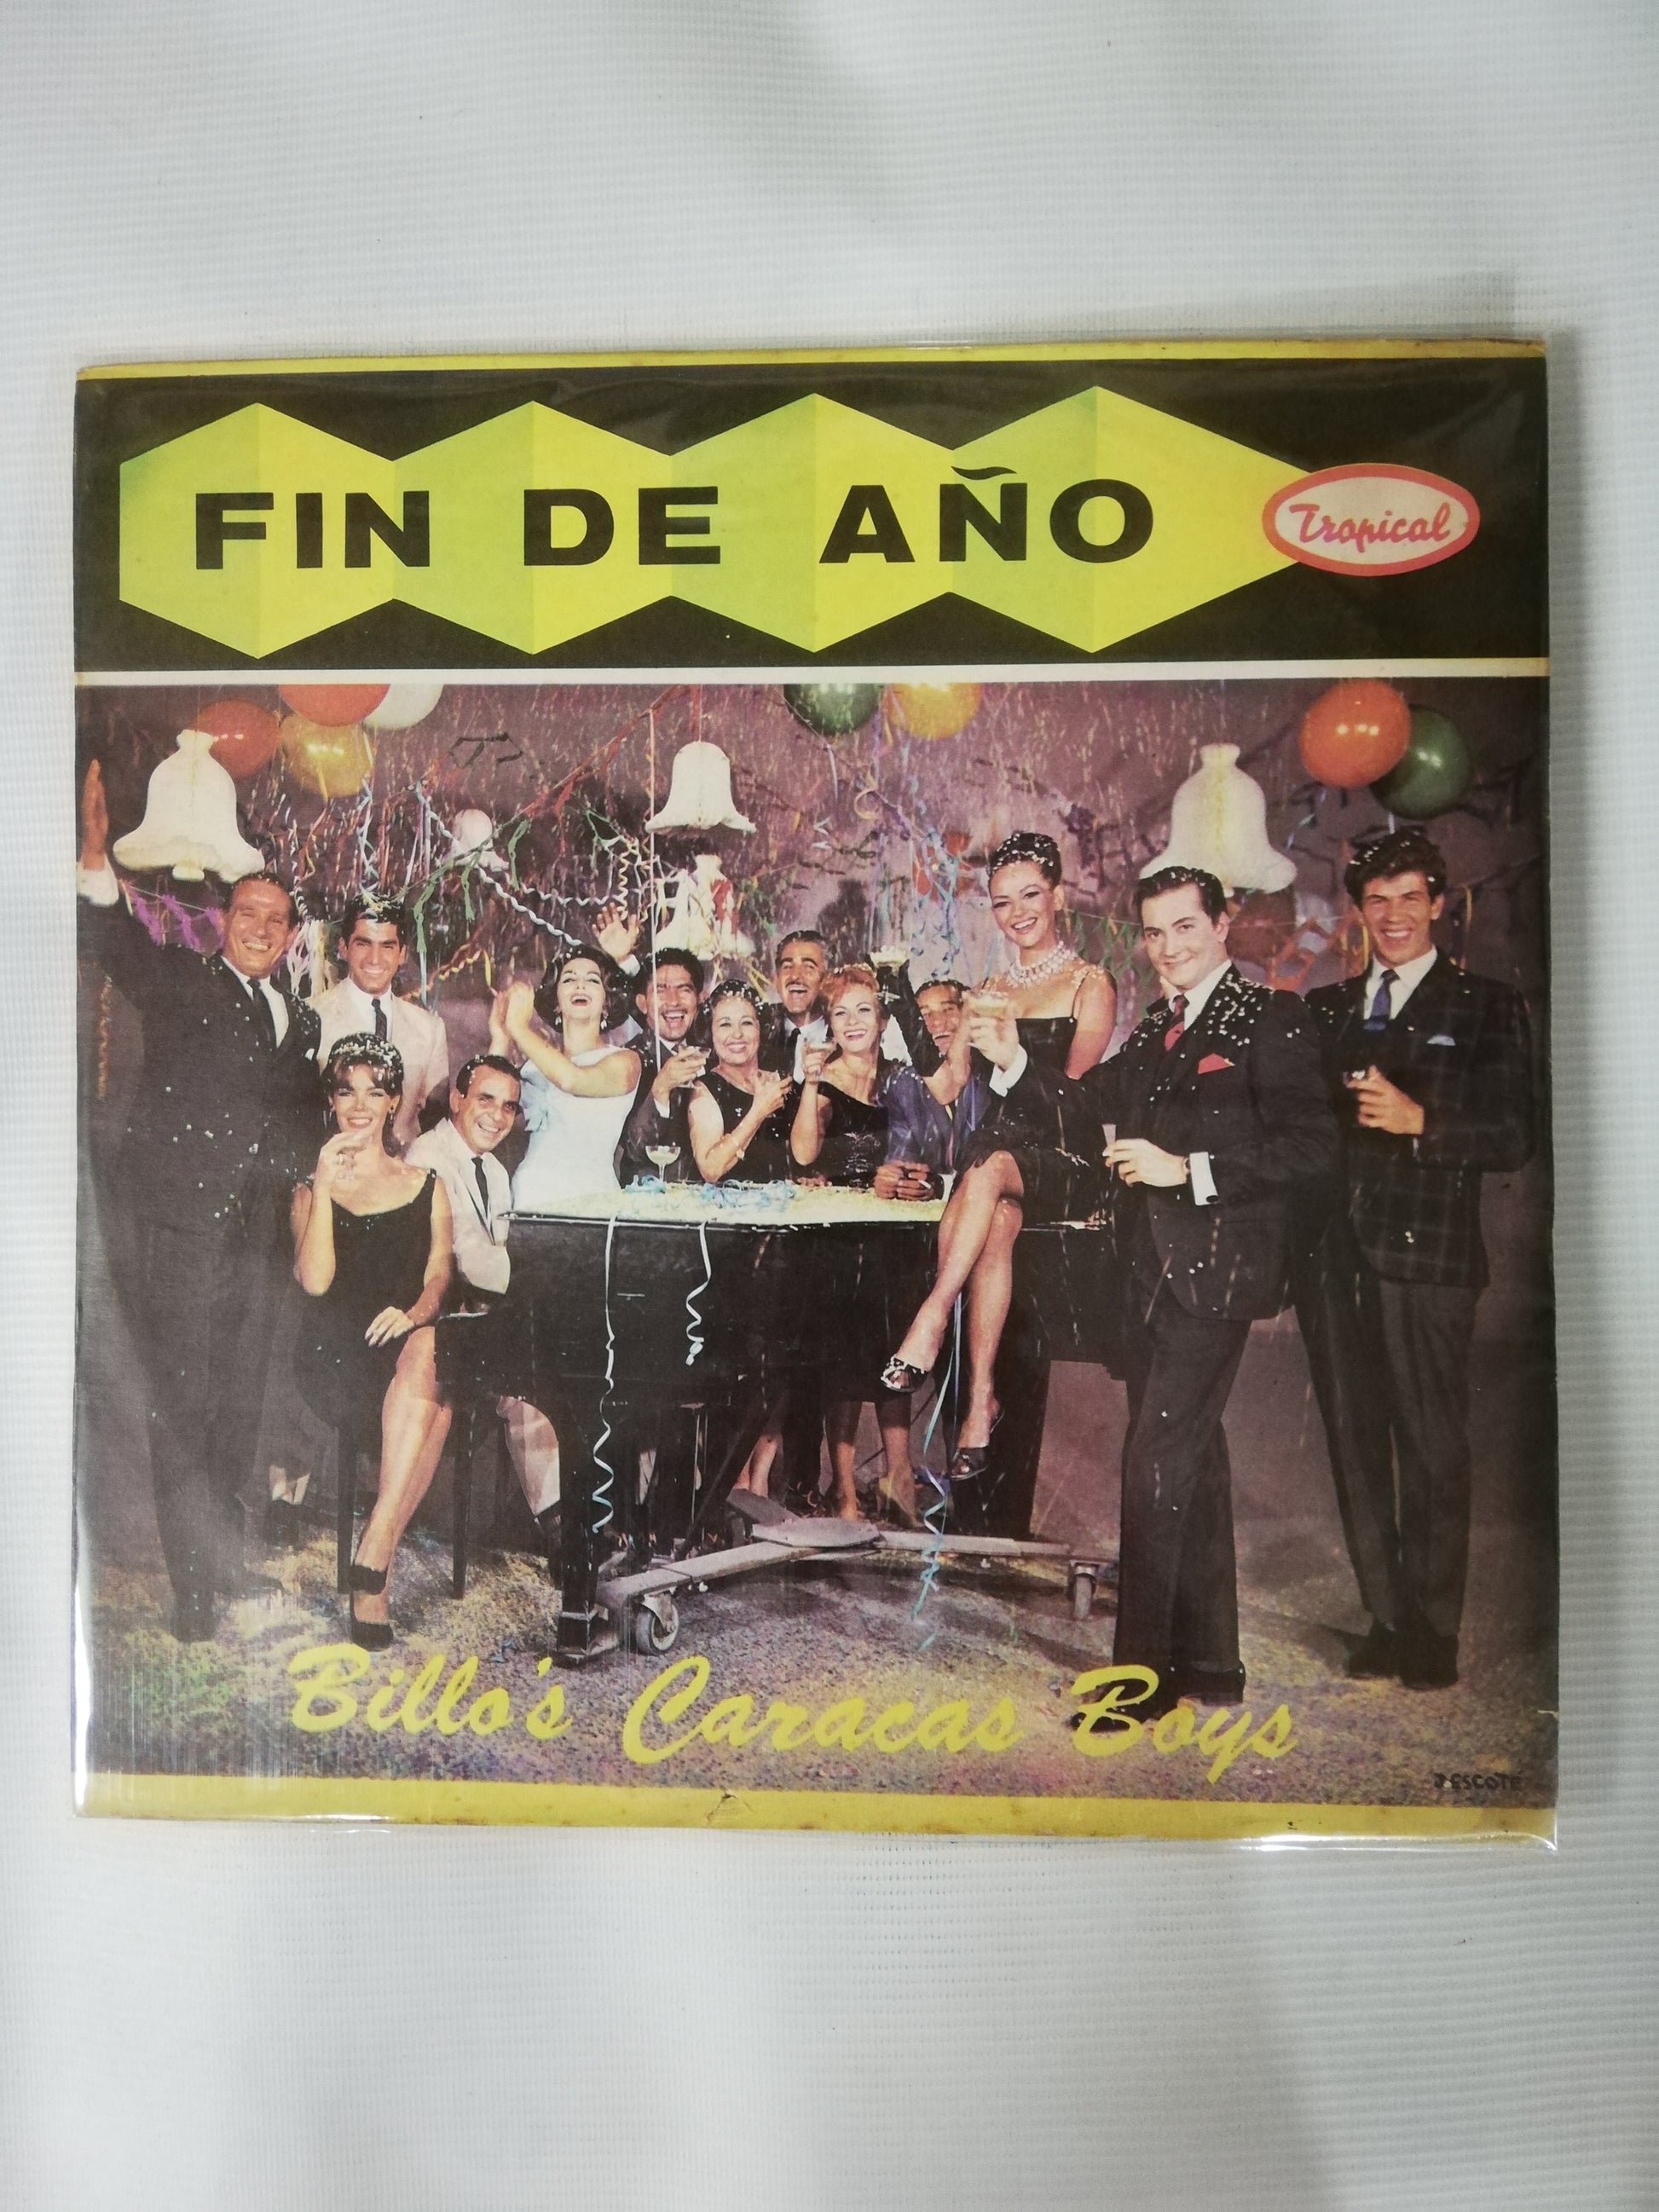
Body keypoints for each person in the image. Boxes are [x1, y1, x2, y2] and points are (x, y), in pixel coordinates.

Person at [973, 866, 1338, 1717]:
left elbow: (1314, 1146)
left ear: (1221, 925)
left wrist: (1188, 1169)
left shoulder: (1270, 1017)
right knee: (1192, 1462)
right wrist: (1013, 1060)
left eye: (1184, 927)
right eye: (1153, 932)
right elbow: (1082, 1101)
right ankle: (1210, 1663)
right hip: (1148, 1275)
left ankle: (1140, 1683)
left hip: (1214, 1271)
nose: (1168, 948)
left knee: (1154, 1461)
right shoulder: (1161, 1027)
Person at [77, 759, 322, 1642]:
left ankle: (221, 1557)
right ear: (225, 921)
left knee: (239, 1404)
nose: (260, 928)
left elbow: (300, 1128)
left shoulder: (301, 1019)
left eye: (275, 919)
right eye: (247, 913)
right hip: (180, 1230)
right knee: (182, 1403)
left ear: (290, 935)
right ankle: (191, 1588)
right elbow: (119, 947)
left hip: (258, 1243)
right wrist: (96, 860)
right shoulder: (183, 981)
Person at [1294, 829, 1535, 1689]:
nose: (1393, 915)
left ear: (1437, 904)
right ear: (1358, 911)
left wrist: (1421, 1122)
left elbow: (1514, 1134)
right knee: (1355, 1442)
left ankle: (1433, 1629)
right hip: (1335, 1262)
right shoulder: (1328, 1007)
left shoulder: (1485, 1005)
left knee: (1431, 1445)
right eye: (1377, 900)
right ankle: (1387, 1618)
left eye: (1408, 898)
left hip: (1426, 1259)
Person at [880, 832, 1117, 1475]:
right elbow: (947, 1085)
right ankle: (981, 1403)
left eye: (1031, 895)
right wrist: (883, 1036)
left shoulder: (1090, 983)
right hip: (997, 1163)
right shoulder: (987, 987)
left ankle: (932, 1316)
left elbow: (1075, 1104)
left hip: (1062, 1157)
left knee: (985, 1170)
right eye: (1003, 901)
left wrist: (1012, 1054)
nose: (1018, 913)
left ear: (1058, 896)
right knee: (999, 1219)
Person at [292, 1037, 454, 1647]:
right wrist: (325, 1183)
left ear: (393, 1103)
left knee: (430, 1350)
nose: (359, 1105)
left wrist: (412, 1315)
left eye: (374, 1092)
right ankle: (376, 1567)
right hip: (335, 1354)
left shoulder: (427, 1183)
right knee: (440, 1403)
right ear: (332, 1102)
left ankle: (375, 1547)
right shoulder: (307, 1188)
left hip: (406, 1348)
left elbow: (438, 1277)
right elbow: (315, 1282)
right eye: (346, 1092)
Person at [407, 1054, 564, 1572]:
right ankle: (562, 1531)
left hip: (479, 1317)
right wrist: (545, 1279)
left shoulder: (494, 1170)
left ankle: (571, 1519)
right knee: (529, 1390)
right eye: (485, 1100)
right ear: (457, 1100)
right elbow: (466, 1259)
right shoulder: (427, 1156)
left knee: (559, 1369)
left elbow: (500, 1253)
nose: (497, 1116)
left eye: (510, 1107)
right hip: (434, 1329)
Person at [791, 965, 921, 1521]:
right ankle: (844, 1490)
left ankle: (900, 1478)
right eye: (840, 1013)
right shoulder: (823, 1081)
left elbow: (927, 1149)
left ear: (883, 1019)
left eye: (863, 1010)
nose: (851, 1022)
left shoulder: (901, 1080)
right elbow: (803, 1154)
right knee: (842, 1367)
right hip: (839, 1240)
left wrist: (913, 1179)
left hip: (894, 1238)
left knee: (895, 1356)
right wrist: (810, 1084)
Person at [685, 982, 801, 1499]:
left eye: (746, 1022)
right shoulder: (704, 1091)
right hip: (732, 1251)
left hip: (783, 1244)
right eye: (724, 1024)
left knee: (781, 1368)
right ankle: (729, 1484)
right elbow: (711, 1167)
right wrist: (757, 1110)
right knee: (740, 1367)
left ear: (762, 1029)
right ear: (710, 1033)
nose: (736, 1034)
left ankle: (759, 1480)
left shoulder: (780, 1083)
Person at [500, 950, 641, 1209]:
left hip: (589, 1204)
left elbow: (571, 1080)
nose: (580, 986)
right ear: (556, 1001)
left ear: (607, 1002)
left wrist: (518, 1029)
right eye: (569, 979)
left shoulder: (624, 1061)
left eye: (592, 980)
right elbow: (492, 1108)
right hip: (527, 1200)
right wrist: (500, 1037)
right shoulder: (535, 1066)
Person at [311, 894, 449, 1150]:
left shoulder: (430, 1029)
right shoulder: (311, 1016)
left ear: (402, 954)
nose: (375, 959)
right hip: (331, 1166)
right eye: (363, 944)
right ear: (343, 947)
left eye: (387, 946)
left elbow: (437, 1123)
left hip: (404, 1167)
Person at [876, 977, 991, 1196]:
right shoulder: (904, 1084)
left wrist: (942, 1186)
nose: (937, 1023)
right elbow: (902, 1159)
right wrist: (895, 1180)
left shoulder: (995, 1076)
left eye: (948, 1010)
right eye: (925, 1014)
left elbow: (994, 1169)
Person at [614, 945, 709, 1185]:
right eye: (661, 990)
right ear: (643, 1003)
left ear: (699, 999)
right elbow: (635, 1148)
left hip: (714, 1199)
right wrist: (661, 1088)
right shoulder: (627, 1060)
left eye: (684, 989)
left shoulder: (715, 1051)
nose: (673, 1001)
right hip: (651, 1199)